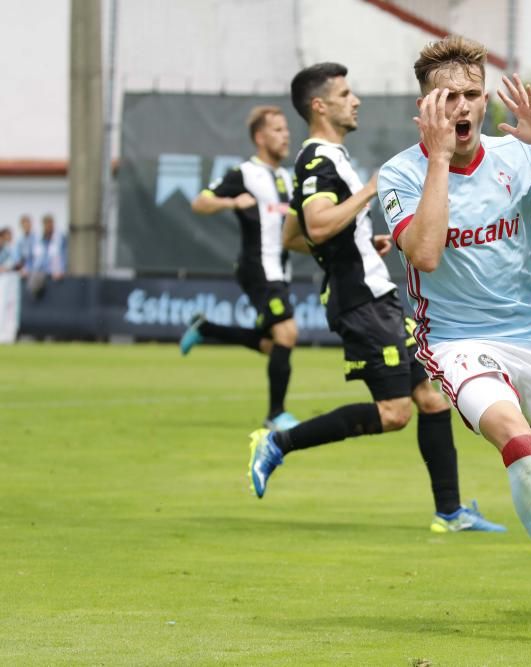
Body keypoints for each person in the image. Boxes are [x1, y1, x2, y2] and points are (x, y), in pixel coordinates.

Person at [377, 35, 531, 637]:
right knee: (518, 442)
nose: (462, 108)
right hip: (456, 341)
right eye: (448, 97)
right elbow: (427, 254)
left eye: (472, 95)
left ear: (486, 100)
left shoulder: (517, 156)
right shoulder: (398, 173)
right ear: (426, 107)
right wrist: (437, 160)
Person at [248, 62, 505, 534]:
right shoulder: (317, 161)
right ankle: (278, 442)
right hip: (361, 303)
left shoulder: (330, 158)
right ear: (320, 106)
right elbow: (319, 224)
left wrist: (363, 243)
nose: (356, 100)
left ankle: (449, 513)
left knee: (432, 398)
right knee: (394, 413)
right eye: (345, 93)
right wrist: (370, 191)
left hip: (377, 295)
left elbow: (294, 235)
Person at [184, 106, 299, 430]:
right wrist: (231, 202)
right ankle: (276, 414)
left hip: (280, 268)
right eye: (277, 129)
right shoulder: (245, 173)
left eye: (285, 129)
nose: (285, 134)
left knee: (272, 344)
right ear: (260, 137)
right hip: (257, 267)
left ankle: (206, 329)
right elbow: (200, 202)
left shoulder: (287, 178)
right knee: (287, 333)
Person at [25, 214, 66, 299]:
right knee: (34, 280)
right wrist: (27, 269)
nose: (49, 227)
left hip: (54, 271)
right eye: (47, 224)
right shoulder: (36, 239)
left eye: (50, 224)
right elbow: (30, 257)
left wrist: (61, 270)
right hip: (38, 270)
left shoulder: (60, 238)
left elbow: (63, 255)